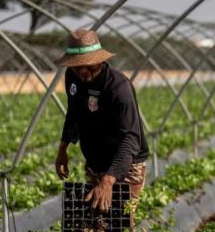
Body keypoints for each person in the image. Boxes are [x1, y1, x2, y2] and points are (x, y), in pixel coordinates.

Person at [54, 29, 149, 213]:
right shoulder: (72, 77)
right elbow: (74, 111)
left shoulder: (118, 87)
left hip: (126, 163)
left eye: (88, 64)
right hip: (95, 161)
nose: (82, 70)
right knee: (95, 219)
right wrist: (63, 148)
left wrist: (109, 180)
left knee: (118, 220)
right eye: (76, 65)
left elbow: (131, 138)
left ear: (100, 59)